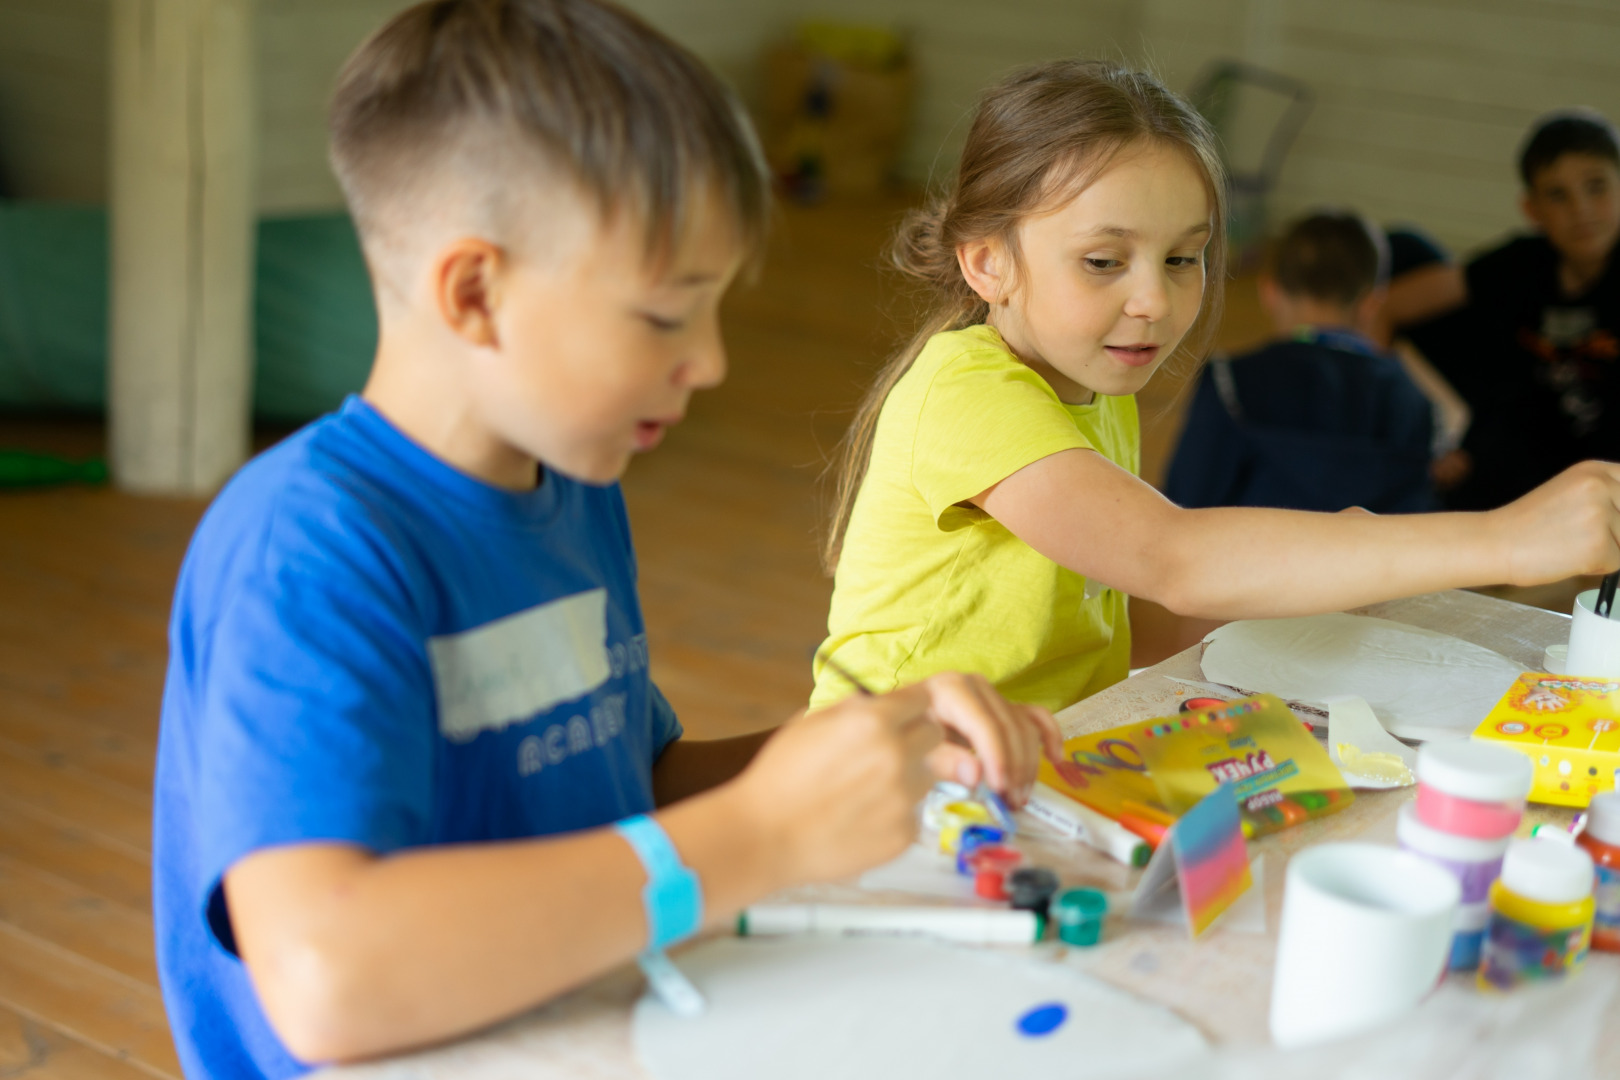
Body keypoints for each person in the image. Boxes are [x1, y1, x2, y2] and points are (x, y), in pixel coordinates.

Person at [151, 3, 1061, 1077]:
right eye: (668, 316)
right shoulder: (308, 547)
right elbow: (328, 979)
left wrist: (873, 743)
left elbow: (628, 782)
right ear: (477, 292)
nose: (712, 361)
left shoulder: (572, 484)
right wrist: (762, 837)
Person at [809, 60, 1620, 716]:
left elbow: (1136, 620)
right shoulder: (969, 393)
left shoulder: (1097, 386)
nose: (1154, 301)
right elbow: (1170, 558)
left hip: (1045, 758)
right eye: (1103, 260)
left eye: (1181, 258)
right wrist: (1509, 538)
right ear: (987, 262)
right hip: (896, 788)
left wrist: (1336, 569)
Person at [1164, 209, 1438, 514]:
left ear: (1269, 292)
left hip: (1249, 559)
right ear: (1372, 303)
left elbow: (1185, 503)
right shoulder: (1412, 399)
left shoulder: (1231, 382)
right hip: (1365, 560)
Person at [1425, 109, 1620, 510]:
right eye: (1557, 194)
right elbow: (1388, 304)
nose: (1581, 209)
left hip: (1608, 472)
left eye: (1596, 187)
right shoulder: (1522, 264)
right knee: (1406, 248)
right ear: (1532, 209)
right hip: (1533, 453)